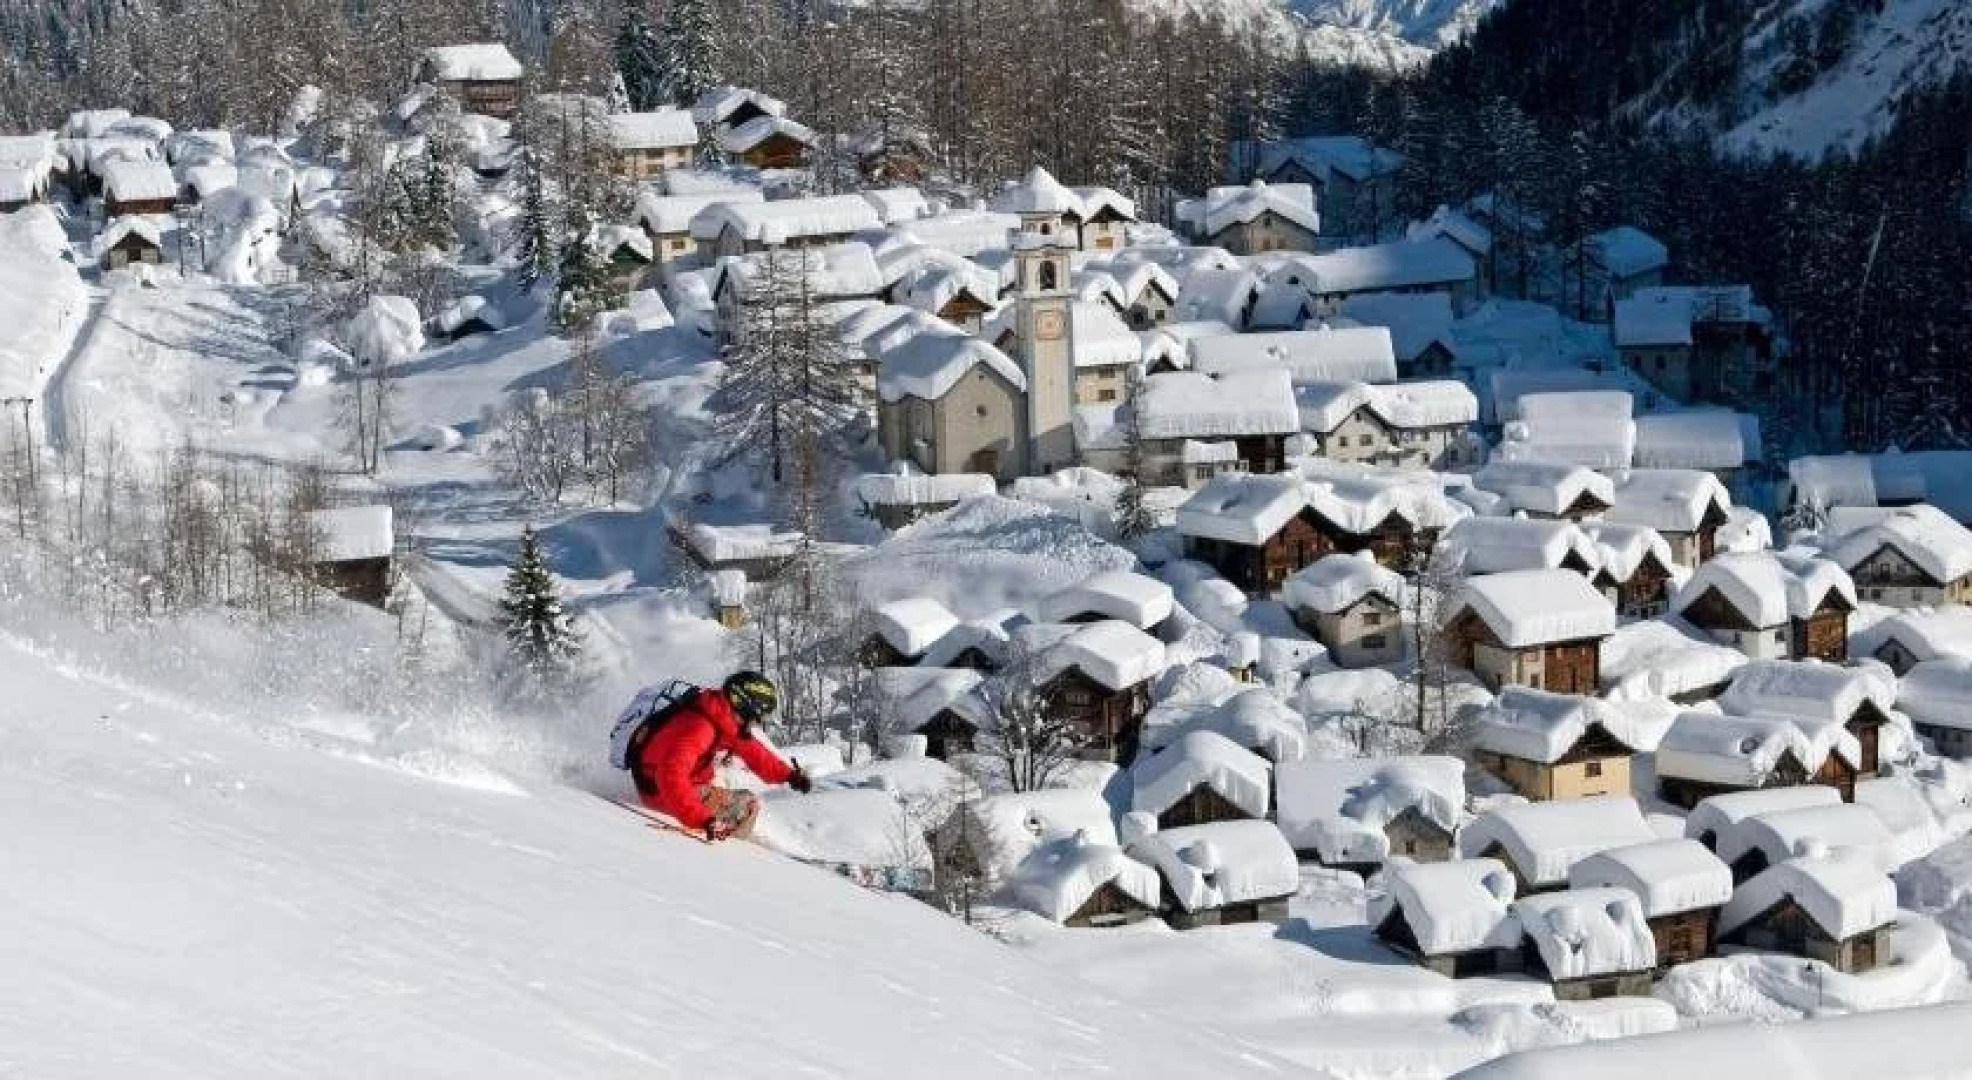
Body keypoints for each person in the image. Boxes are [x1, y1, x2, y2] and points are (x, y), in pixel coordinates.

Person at [631, 671, 812, 841]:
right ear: (745, 709)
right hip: (659, 791)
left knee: (732, 790)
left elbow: (755, 752)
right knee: (747, 805)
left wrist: (788, 775)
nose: (756, 723)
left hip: (669, 785)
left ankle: (723, 829)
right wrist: (701, 819)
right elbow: (670, 775)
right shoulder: (700, 729)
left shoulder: (718, 714)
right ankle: (735, 846)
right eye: (756, 717)